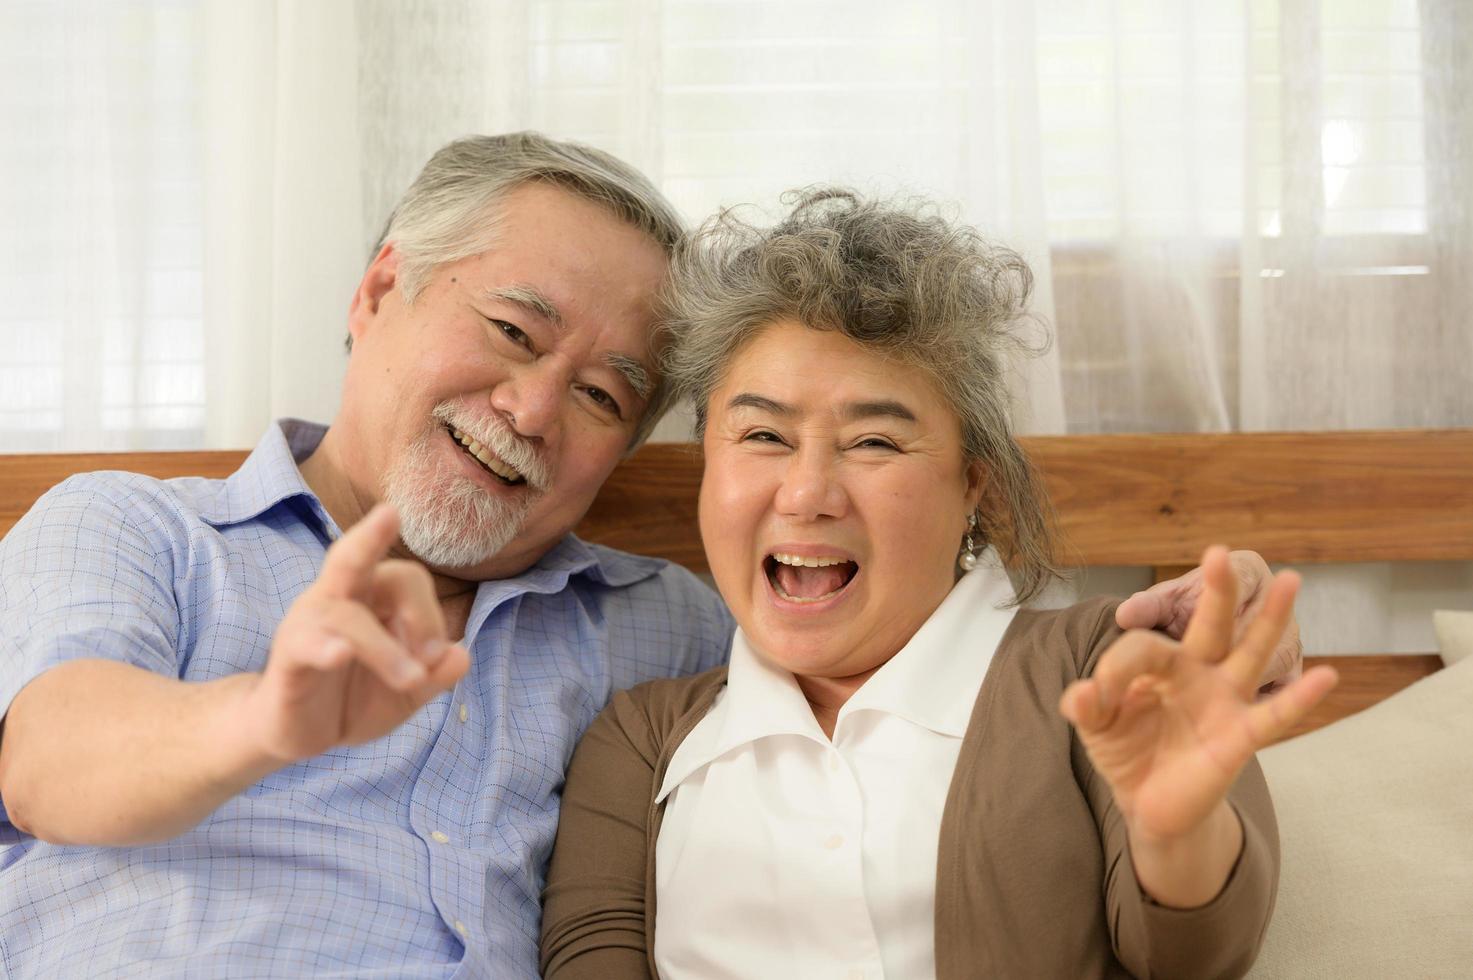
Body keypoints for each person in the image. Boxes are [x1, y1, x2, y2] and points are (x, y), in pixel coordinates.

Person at [0, 134, 1290, 979]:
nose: (533, 407)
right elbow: (53, 762)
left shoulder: (666, 634)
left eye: (609, 394)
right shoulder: (137, 528)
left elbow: (912, 662)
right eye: (512, 328)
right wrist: (268, 718)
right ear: (379, 287)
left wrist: (1157, 662)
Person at [539, 190, 1337, 979]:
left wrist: (1175, 830)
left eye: (875, 441)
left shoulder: (1105, 666)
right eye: (761, 435)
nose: (806, 492)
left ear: (972, 489)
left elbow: (1195, 955)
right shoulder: (641, 744)